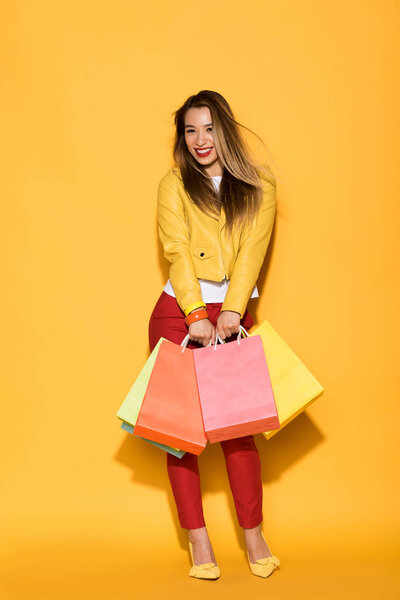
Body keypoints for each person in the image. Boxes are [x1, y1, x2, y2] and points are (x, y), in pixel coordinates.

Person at [148, 90, 280, 580]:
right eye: (190, 130)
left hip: (230, 314)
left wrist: (233, 310)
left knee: (239, 430)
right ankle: (198, 541)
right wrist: (194, 313)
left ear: (224, 129)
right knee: (178, 435)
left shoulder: (259, 186)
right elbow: (176, 249)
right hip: (177, 313)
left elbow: (253, 252)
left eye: (208, 128)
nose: (200, 140)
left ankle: (254, 536)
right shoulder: (173, 185)